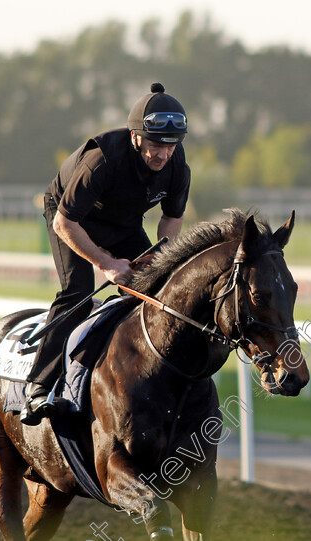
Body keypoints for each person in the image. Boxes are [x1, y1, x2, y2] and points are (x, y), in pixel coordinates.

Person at [21, 82, 190, 426]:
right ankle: (39, 387)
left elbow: (172, 219)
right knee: (79, 294)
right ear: (135, 137)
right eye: (156, 145)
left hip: (123, 223)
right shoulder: (103, 158)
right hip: (71, 218)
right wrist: (107, 264)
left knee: (157, 288)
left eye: (171, 147)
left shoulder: (175, 163)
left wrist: (163, 256)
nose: (163, 155)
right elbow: (64, 222)